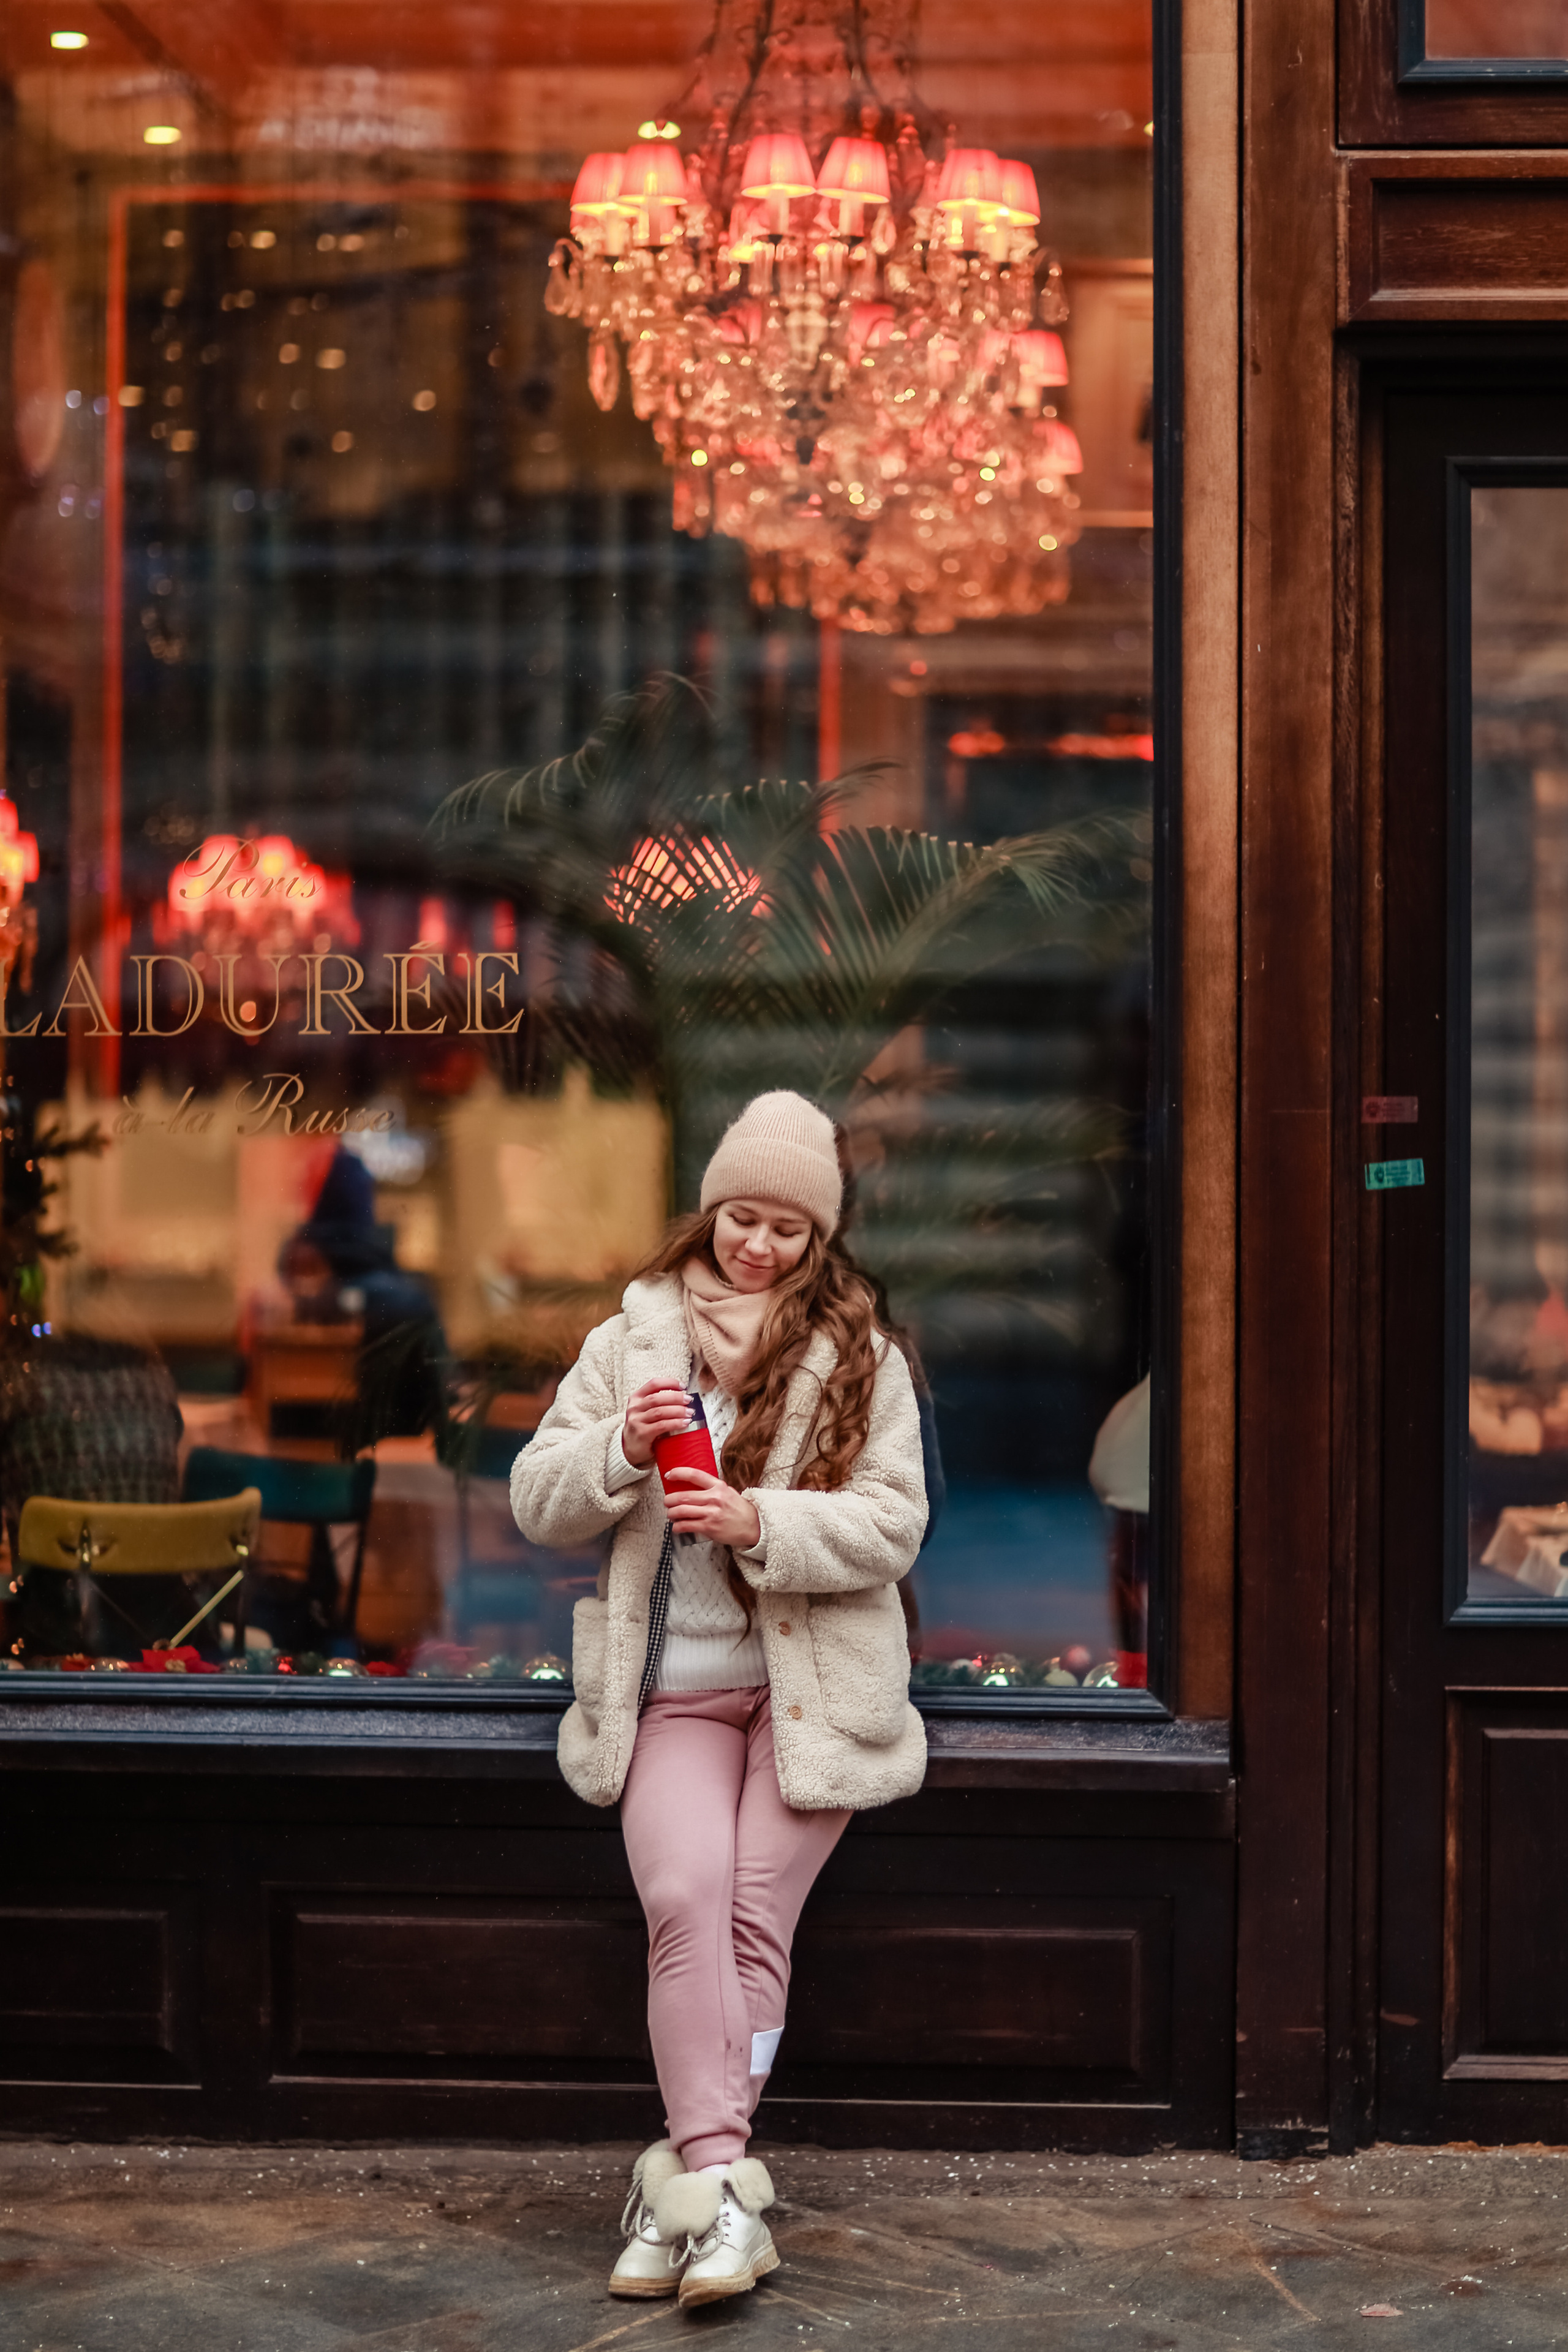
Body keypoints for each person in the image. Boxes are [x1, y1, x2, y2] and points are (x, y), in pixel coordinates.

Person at [511, 1090, 928, 2310]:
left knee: (751, 1917)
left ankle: (683, 2196)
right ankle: (719, 2192)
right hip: (674, 1697)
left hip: (812, 1697)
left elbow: (895, 1522)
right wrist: (621, 1455)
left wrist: (762, 1521)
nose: (757, 1247)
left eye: (787, 1231)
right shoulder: (630, 1341)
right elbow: (538, 1498)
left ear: (820, 1241)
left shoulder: (860, 1355)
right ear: (708, 1210)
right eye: (741, 1218)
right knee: (685, 1898)